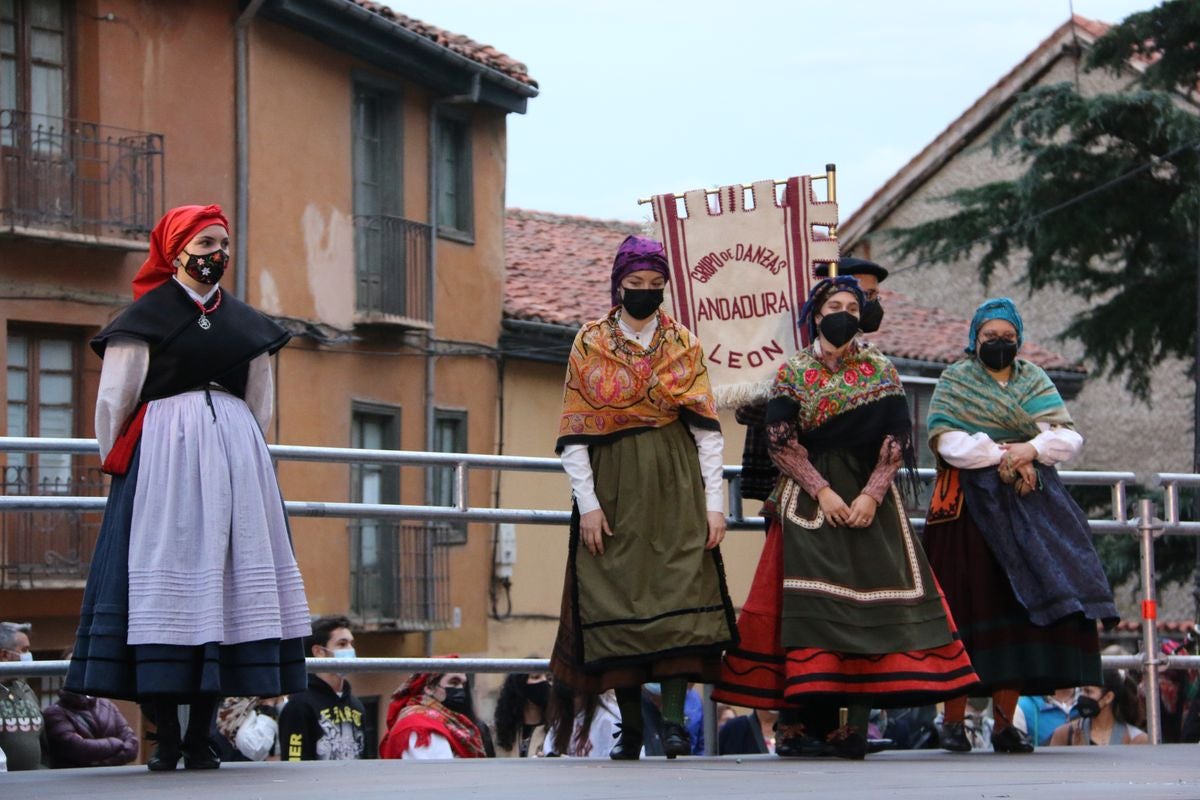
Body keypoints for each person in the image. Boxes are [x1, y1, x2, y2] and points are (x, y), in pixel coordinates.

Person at [64, 204, 310, 771]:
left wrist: (238, 449)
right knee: (160, 593)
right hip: (163, 463)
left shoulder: (247, 324)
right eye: (203, 245)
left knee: (222, 595)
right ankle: (165, 738)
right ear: (175, 251)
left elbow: (260, 401)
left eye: (221, 244)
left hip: (233, 461)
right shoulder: (143, 318)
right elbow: (114, 401)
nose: (214, 255)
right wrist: (132, 463)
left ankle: (201, 735)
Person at [713, 277, 980, 760]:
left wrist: (873, 494)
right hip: (809, 495)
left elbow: (899, 437)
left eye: (852, 306)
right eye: (833, 305)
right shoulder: (793, 370)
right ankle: (793, 727)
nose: (843, 313)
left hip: (870, 499)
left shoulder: (881, 369)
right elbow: (779, 438)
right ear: (815, 315)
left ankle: (854, 726)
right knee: (801, 608)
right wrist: (824, 491)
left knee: (868, 607)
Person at [551, 234, 736, 761]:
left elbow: (707, 432)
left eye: (656, 286)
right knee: (619, 599)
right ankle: (631, 729)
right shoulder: (589, 342)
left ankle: (674, 725)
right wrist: (587, 504)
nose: (645, 294)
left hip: (676, 484)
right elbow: (574, 433)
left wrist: (713, 503)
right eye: (636, 286)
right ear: (618, 285)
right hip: (613, 487)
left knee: (679, 596)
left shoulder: (685, 343)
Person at [923, 297, 1118, 754]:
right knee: (965, 614)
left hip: (1030, 509)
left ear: (1019, 339)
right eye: (990, 337)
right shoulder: (956, 381)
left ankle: (1004, 724)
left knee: (1017, 616)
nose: (999, 344)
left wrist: (1030, 452)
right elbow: (950, 442)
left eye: (1007, 338)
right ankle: (952, 721)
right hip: (968, 517)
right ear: (975, 339)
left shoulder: (1034, 379)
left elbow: (1067, 437)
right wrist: (1012, 451)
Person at [279, 616, 365, 761]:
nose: (350, 650)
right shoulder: (299, 706)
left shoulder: (357, 705)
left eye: (351, 644)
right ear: (319, 652)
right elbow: (294, 763)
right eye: (342, 644)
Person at [379, 668, 487, 759]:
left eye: (462, 684)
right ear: (429, 688)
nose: (460, 689)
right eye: (453, 683)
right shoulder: (420, 726)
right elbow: (441, 774)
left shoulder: (443, 720)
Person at [43, 687, 139, 768]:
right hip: (74, 781)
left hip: (113, 778)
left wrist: (102, 762)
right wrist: (116, 744)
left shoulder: (107, 705)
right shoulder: (55, 713)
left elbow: (132, 743)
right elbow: (77, 748)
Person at [1049, 671, 1148, 746]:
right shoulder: (1065, 734)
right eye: (1081, 691)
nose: (1082, 697)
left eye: (1088, 692)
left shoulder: (1137, 739)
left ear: (1108, 697)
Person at [0, 621, 45, 770]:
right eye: (24, 650)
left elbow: (43, 739)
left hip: (34, 783)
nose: (28, 656)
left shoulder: (25, 689)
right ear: (4, 654)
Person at [543, 683, 620, 758]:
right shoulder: (562, 718)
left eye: (574, 695)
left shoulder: (609, 721)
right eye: (565, 698)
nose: (570, 703)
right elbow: (550, 751)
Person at [493, 671, 550, 757]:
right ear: (519, 685)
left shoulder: (556, 732)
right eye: (536, 677)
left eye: (550, 679)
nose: (545, 682)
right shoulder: (498, 732)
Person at [212, 696, 282, 762]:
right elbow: (256, 748)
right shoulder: (242, 707)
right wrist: (269, 705)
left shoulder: (251, 706)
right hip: (238, 768)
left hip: (239, 766)